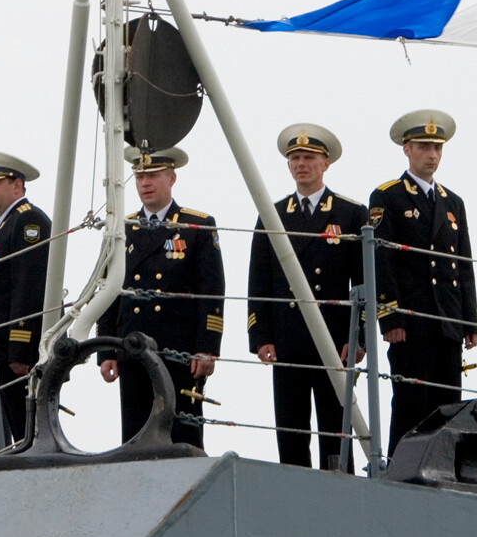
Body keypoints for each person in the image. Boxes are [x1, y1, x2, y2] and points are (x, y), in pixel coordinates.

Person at [247, 124, 366, 470]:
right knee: (291, 429)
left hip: (332, 340)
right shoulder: (273, 214)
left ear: (325, 163)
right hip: (287, 338)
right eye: (295, 158)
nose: (302, 164)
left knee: (335, 430)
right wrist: (261, 336)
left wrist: (357, 337)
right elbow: (259, 281)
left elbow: (362, 283)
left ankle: (339, 492)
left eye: (309, 158)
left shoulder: (349, 214)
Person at [369, 110, 477, 457]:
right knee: (410, 407)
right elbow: (381, 262)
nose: (431, 154)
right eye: (424, 147)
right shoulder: (387, 197)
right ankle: (401, 469)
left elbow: (463, 265)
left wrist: (469, 321)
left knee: (447, 408)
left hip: (446, 321)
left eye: (437, 147)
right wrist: (390, 316)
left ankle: (444, 470)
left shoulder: (453, 203)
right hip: (411, 321)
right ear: (407, 149)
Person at [98, 148, 224, 449]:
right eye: (140, 177)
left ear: (171, 178)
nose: (145, 183)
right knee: (134, 437)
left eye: (152, 176)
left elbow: (212, 291)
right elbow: (107, 292)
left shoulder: (197, 226)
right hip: (133, 347)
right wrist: (106, 350)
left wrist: (206, 349)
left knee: (183, 435)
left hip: (179, 350)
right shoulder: (122, 229)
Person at [0, 150, 52, 444]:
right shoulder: (0, 229)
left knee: (26, 427)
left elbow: (29, 285)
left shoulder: (28, 221)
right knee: (12, 427)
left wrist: (21, 349)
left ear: (16, 186)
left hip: (15, 348)